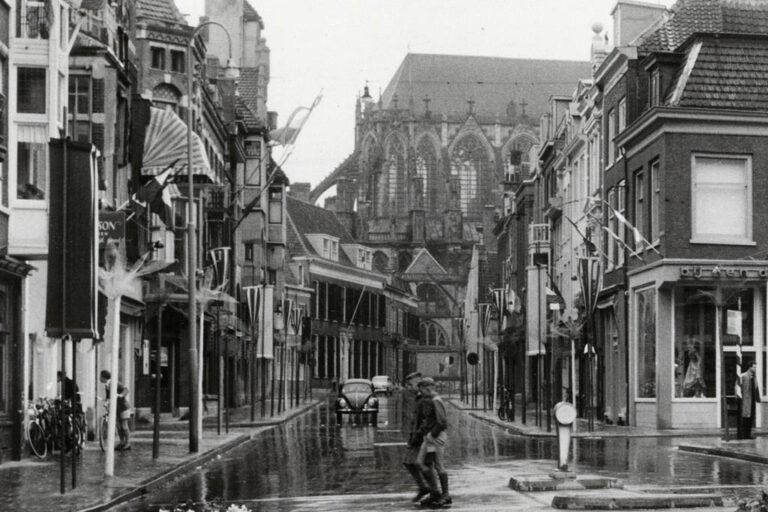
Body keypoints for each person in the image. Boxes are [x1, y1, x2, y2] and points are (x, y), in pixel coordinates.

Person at [416, 377, 451, 508]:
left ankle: (445, 494)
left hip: (436, 437)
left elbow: (442, 422)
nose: (421, 394)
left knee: (438, 465)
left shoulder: (436, 400)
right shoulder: (431, 400)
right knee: (421, 463)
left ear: (428, 388)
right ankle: (435, 491)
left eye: (422, 391)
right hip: (429, 437)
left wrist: (432, 433)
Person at [402, 371, 432, 503]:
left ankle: (433, 489)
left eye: (410, 385)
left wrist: (418, 434)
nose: (408, 388)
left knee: (423, 463)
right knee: (409, 462)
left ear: (418, 384)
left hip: (422, 437)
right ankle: (424, 487)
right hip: (416, 435)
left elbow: (426, 420)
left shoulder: (423, 399)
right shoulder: (415, 398)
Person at [100, 370, 132, 450]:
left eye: (100, 376)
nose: (99, 378)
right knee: (119, 426)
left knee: (124, 425)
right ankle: (122, 442)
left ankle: (128, 443)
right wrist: (105, 400)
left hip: (123, 407)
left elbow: (126, 389)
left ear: (104, 377)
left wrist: (121, 395)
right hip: (116, 408)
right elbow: (109, 397)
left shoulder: (114, 383)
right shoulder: (107, 385)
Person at [739, 362, 760, 439]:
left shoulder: (754, 377)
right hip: (745, 400)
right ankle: (744, 435)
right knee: (745, 418)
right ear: (750, 367)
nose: (755, 369)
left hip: (752, 400)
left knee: (751, 418)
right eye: (754, 367)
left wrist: (758, 398)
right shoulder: (743, 376)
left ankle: (748, 434)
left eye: (755, 367)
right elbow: (738, 387)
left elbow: (756, 388)